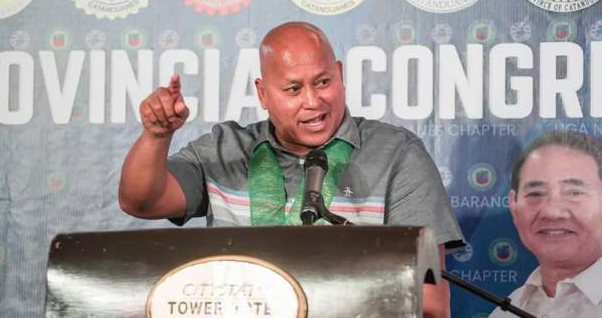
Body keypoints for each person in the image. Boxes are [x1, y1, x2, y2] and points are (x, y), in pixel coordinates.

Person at [119, 21, 463, 318]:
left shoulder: (398, 154)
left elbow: (430, 303)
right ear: (263, 94)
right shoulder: (224, 149)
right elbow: (141, 201)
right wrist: (156, 135)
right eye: (294, 89)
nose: (313, 101)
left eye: (323, 82)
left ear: (340, 75)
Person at [489, 130, 602, 318]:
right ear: (513, 206)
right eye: (535, 194)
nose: (552, 212)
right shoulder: (506, 313)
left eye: (574, 193)